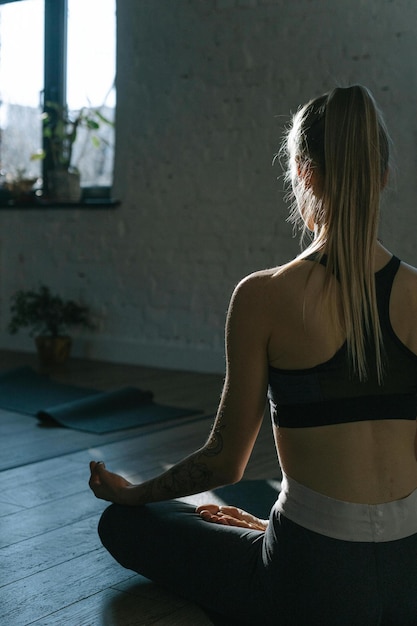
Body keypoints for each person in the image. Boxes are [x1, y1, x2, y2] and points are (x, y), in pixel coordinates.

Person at [89, 85, 417, 625]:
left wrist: (133, 495)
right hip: (409, 579)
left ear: (303, 174)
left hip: (309, 582)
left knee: (128, 524)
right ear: (382, 175)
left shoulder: (263, 296)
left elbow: (224, 461)